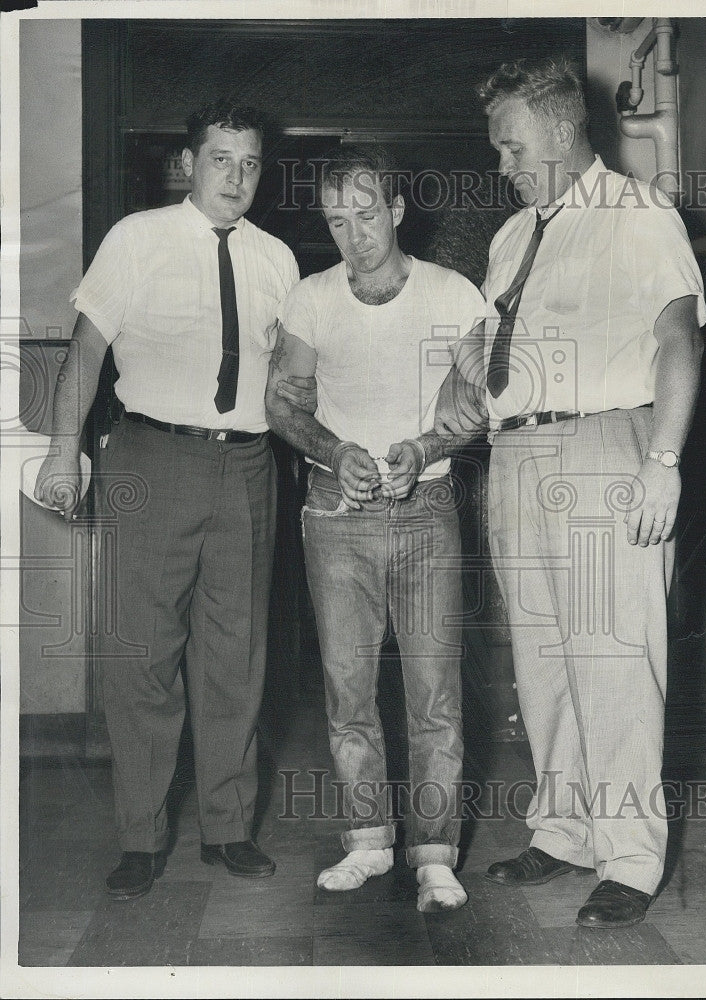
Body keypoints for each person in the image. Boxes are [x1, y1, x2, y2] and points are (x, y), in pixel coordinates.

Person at [391, 56, 706, 929]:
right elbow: (489, 355)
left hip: (606, 447)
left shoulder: (637, 214)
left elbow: (677, 338)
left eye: (510, 146)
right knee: (542, 662)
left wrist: (664, 461)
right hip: (516, 461)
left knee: (612, 661)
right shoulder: (512, 236)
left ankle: (632, 859)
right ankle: (563, 831)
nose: (502, 165)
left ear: (563, 131)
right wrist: (459, 386)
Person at [34, 100, 315, 900]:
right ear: (190, 163)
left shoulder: (277, 260)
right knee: (141, 655)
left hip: (250, 466)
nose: (236, 177)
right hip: (151, 458)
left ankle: (227, 828)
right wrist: (64, 454)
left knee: (236, 656)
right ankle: (140, 835)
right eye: (220, 159)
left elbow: (295, 382)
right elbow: (86, 349)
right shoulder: (137, 238)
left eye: (250, 163)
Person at [265, 145, 485, 913]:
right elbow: (282, 403)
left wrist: (425, 446)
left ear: (395, 210)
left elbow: (478, 401)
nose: (353, 234)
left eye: (366, 215)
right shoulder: (311, 298)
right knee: (347, 691)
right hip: (336, 516)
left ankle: (434, 853)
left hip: (426, 513)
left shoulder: (454, 294)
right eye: (336, 219)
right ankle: (366, 843)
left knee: (434, 696)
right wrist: (337, 452)